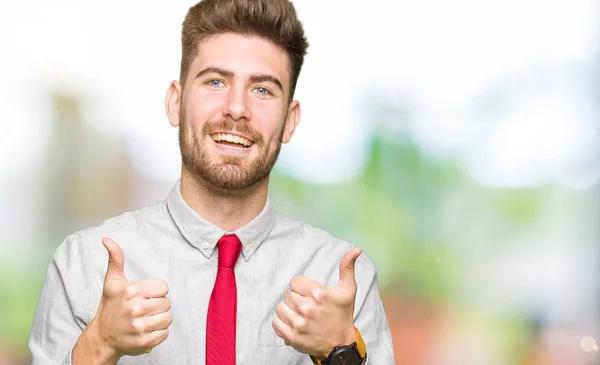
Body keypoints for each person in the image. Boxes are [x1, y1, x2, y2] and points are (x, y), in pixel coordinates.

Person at [28, 0, 396, 364]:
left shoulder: (341, 281)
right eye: (216, 81)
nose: (236, 108)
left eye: (263, 89)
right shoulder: (83, 264)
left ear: (289, 121)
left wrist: (341, 354)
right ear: (175, 102)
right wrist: (100, 345)